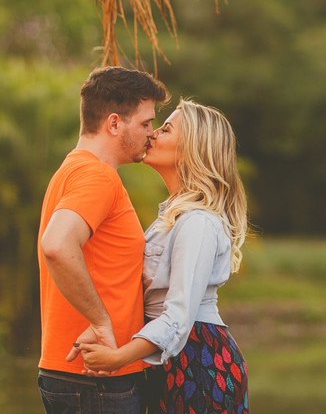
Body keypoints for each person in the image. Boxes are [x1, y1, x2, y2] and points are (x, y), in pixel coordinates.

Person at [77, 99, 250, 414]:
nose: (152, 134)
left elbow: (178, 317)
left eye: (166, 129)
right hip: (172, 360)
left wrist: (119, 357)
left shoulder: (197, 221)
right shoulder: (171, 218)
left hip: (199, 361)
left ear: (192, 149)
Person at [37, 65, 169, 414]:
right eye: (145, 123)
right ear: (114, 124)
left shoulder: (72, 170)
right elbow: (56, 245)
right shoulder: (97, 177)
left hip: (77, 373)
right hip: (96, 379)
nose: (151, 134)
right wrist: (100, 322)